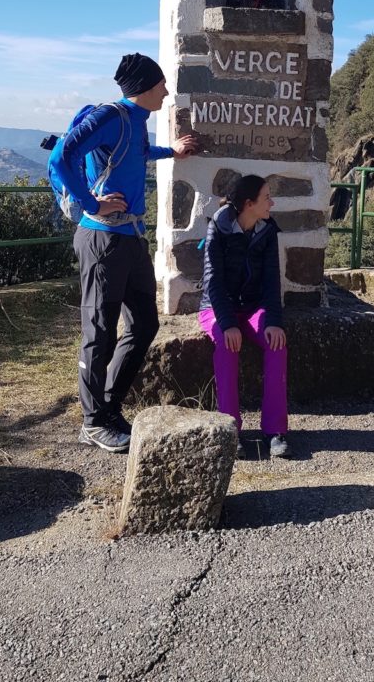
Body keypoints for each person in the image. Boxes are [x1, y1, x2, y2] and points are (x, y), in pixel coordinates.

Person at [51, 52, 198, 453]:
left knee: (144, 324)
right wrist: (91, 203)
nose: (167, 91)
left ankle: (110, 406)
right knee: (98, 332)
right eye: (162, 85)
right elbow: (60, 155)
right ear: (146, 87)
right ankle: (93, 421)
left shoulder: (135, 123)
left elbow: (137, 156)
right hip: (102, 238)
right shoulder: (110, 117)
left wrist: (172, 152)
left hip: (130, 238)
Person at [198, 175, 290, 458]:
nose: (271, 203)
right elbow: (213, 282)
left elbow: (272, 281)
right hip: (215, 307)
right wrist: (227, 323)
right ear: (249, 204)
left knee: (277, 343)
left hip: (253, 308)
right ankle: (230, 428)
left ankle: (275, 430)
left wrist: (273, 320)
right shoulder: (218, 228)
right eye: (266, 198)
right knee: (227, 345)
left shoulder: (267, 230)